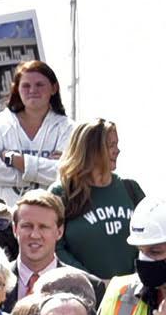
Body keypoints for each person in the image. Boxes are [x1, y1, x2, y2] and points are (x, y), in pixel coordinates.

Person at [0, 56, 72, 210]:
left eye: (40, 84)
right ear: (17, 89)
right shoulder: (0, 124)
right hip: (0, 221)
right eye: (26, 85)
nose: (33, 90)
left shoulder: (68, 128)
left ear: (54, 88)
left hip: (47, 225)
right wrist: (41, 174)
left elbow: (67, 174)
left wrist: (14, 160)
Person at [53, 120, 144, 283]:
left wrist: (135, 279)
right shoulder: (62, 193)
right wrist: (94, 282)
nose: (117, 151)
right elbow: (54, 248)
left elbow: (150, 240)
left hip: (131, 294)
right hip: (83, 294)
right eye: (111, 145)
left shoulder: (131, 189)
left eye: (117, 144)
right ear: (90, 150)